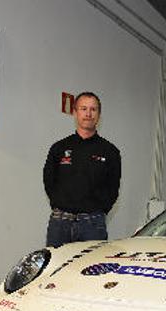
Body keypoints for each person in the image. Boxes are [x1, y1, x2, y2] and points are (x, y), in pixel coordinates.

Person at [43, 92, 121, 247]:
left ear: (99, 115)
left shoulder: (110, 151)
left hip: (92, 226)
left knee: (91, 270)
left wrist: (97, 212)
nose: (88, 114)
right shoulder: (59, 148)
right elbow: (49, 181)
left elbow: (113, 189)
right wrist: (61, 205)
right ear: (75, 112)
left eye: (93, 109)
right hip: (60, 224)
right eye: (83, 108)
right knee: (56, 270)